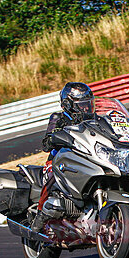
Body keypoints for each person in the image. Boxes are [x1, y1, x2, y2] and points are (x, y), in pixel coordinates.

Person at [33, 82, 96, 232]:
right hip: (58, 160)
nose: (86, 108)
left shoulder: (93, 119)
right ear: (68, 104)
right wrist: (55, 137)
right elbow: (46, 144)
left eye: (88, 104)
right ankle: (40, 215)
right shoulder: (58, 118)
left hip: (84, 158)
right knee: (51, 174)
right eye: (82, 104)